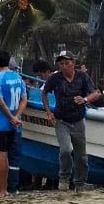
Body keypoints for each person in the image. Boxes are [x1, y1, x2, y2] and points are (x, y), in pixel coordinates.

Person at [42, 51, 100, 192]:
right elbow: (44, 92)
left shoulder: (82, 76)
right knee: (66, 150)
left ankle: (80, 183)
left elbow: (96, 93)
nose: (64, 66)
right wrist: (48, 111)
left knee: (81, 156)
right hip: (61, 120)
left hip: (78, 120)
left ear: (73, 63)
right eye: (61, 64)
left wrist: (85, 99)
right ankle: (64, 178)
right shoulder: (55, 78)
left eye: (67, 63)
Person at [0, 51, 27, 199]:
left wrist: (11, 117)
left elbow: (0, 102)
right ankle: (4, 188)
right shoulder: (18, 78)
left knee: (0, 156)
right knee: (7, 157)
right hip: (14, 125)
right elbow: (24, 100)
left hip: (0, 124)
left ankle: (0, 189)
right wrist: (16, 116)